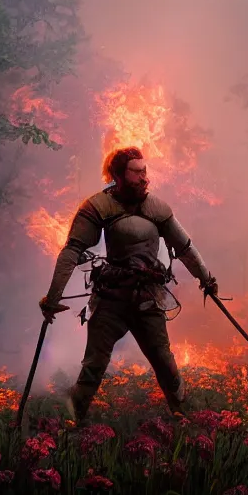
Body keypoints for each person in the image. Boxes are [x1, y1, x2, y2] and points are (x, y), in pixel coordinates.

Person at [39, 146, 218, 422]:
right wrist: (53, 296)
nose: (144, 178)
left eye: (145, 171)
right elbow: (72, 250)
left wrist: (206, 278)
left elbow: (184, 247)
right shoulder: (98, 206)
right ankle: (73, 421)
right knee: (94, 365)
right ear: (118, 176)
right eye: (136, 173)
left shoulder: (156, 208)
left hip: (147, 297)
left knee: (165, 363)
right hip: (111, 299)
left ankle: (185, 418)